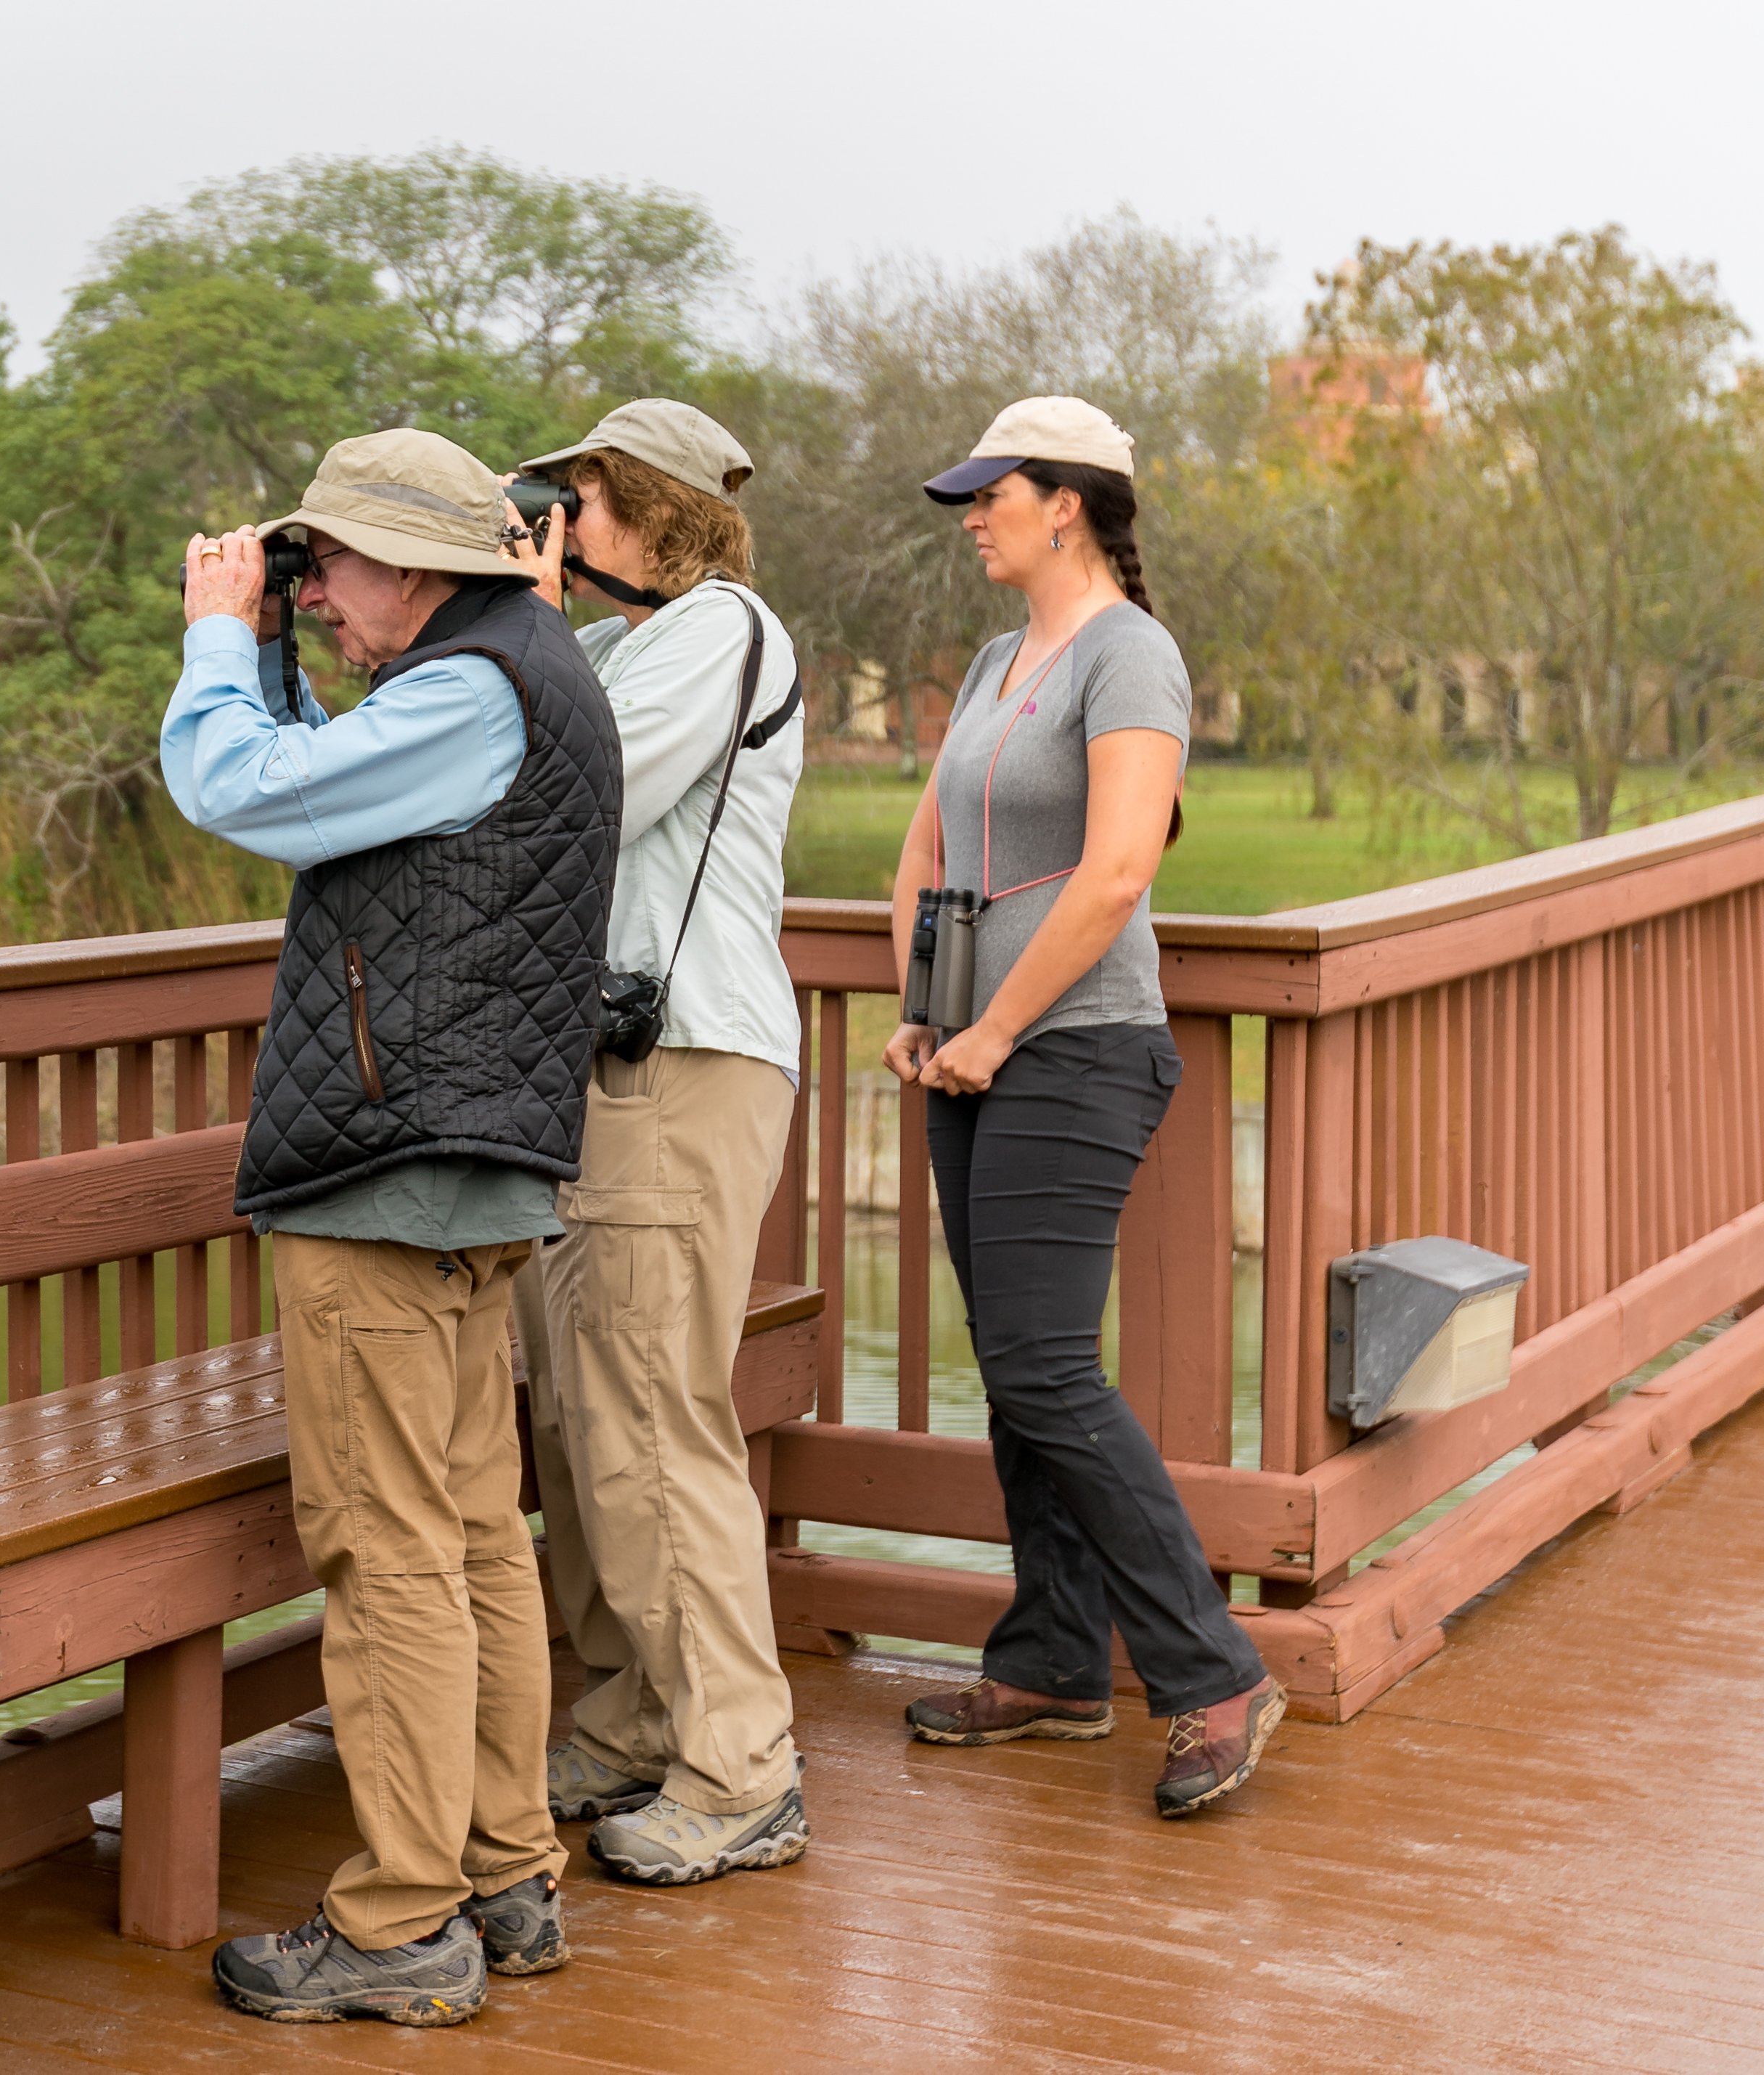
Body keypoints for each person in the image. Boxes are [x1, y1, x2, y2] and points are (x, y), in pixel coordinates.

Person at [159, 430, 621, 2027]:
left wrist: (222, 639)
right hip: (468, 1159)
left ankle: (402, 1918)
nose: (325, 598)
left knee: (390, 1548)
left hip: (391, 1169)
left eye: (332, 567)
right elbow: (333, 811)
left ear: (419, 566)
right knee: (477, 1530)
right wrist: (281, 648)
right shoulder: (517, 670)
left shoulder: (471, 691)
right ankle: (501, 1873)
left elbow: (238, 788)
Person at [878, 395, 1283, 1818]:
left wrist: (994, 1024)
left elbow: (1116, 873)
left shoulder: (1133, 654)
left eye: (992, 491)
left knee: (1048, 1369)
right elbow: (931, 844)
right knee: (1015, 1370)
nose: (972, 513)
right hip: (976, 1050)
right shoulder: (1000, 655)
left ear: (1068, 502)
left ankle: (1211, 1670)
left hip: (1079, 1045)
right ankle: (1052, 1661)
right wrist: (927, 1008)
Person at [501, 401, 812, 1883]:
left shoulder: (716, 629)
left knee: (647, 1413)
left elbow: (573, 793)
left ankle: (740, 1764)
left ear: (647, 507)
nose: (557, 518)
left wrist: (528, 615)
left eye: (576, 496)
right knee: (577, 1414)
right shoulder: (628, 643)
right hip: (601, 1077)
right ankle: (627, 1718)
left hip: (678, 1065)